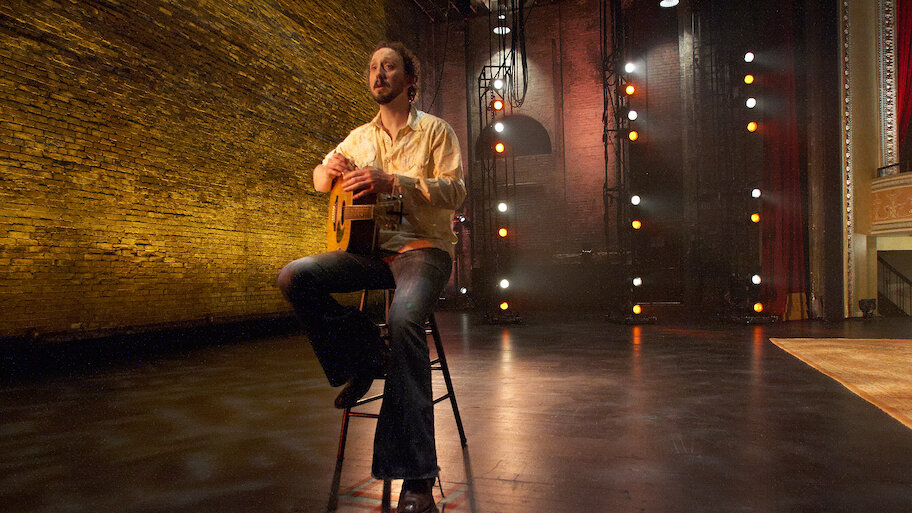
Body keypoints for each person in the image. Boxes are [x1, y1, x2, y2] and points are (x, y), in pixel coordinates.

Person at [277, 41, 465, 513]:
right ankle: (364, 353)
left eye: (389, 66)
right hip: (369, 252)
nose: (378, 74)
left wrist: (393, 181)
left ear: (409, 79)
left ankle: (418, 479)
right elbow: (318, 180)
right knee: (294, 277)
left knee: (403, 321)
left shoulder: (436, 131)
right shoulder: (359, 137)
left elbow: (455, 191)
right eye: (373, 68)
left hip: (424, 250)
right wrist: (330, 170)